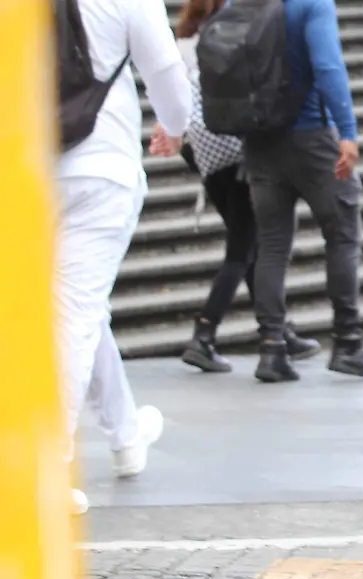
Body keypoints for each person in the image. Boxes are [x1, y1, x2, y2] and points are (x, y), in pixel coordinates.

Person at [54, 0, 194, 514]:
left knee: (79, 308)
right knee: (74, 313)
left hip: (24, 170)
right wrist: (176, 126)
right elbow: (166, 75)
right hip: (100, 169)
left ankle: (126, 433)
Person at [232, 0, 363, 382]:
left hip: (259, 140)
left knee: (271, 245)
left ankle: (271, 349)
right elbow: (327, 66)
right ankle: (348, 344)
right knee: (342, 236)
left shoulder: (246, 5)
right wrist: (348, 131)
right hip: (312, 140)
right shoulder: (311, 3)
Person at [163, 0, 323, 374]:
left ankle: (279, 331)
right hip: (237, 148)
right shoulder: (234, 33)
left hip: (203, 152)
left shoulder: (185, 39)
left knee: (246, 243)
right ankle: (204, 334)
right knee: (242, 248)